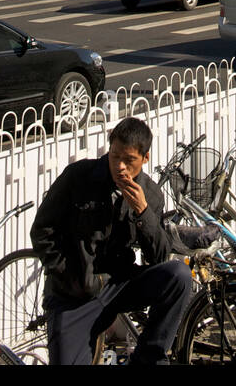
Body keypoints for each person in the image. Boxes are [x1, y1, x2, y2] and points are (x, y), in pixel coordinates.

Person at [30, 116, 192, 365]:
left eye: (129, 160)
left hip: (120, 284)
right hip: (74, 294)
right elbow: (42, 231)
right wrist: (71, 278)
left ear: (145, 159)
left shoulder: (150, 194)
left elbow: (158, 257)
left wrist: (143, 213)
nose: (120, 167)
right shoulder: (78, 177)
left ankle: (148, 359)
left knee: (179, 275)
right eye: (115, 156)